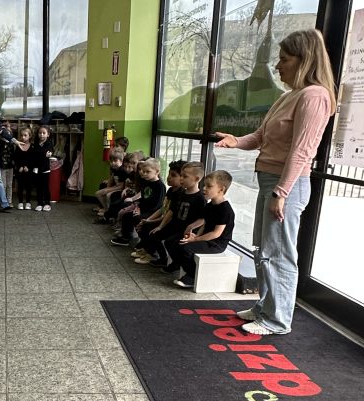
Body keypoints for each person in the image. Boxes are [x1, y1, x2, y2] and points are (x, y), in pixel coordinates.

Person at [216, 29, 336, 334]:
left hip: (287, 185)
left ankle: (277, 320)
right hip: (270, 182)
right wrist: (236, 141)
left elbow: (302, 151)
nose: (277, 65)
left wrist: (281, 192)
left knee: (279, 253)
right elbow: (260, 136)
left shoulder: (315, 96)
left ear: (304, 60)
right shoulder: (288, 96)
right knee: (264, 249)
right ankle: (264, 307)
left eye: (284, 59)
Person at [166, 170, 235, 289]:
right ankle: (180, 266)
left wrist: (196, 239)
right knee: (172, 242)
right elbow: (205, 224)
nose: (204, 188)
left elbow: (216, 233)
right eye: (204, 185)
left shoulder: (225, 210)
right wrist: (195, 236)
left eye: (209, 186)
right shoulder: (209, 205)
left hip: (216, 244)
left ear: (221, 189)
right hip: (205, 239)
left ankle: (192, 276)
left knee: (185, 248)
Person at [140, 161, 206, 268]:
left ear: (197, 179)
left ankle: (176, 264)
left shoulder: (200, 198)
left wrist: (191, 228)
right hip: (174, 225)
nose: (181, 179)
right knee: (154, 234)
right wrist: (160, 226)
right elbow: (171, 211)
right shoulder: (180, 194)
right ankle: (162, 259)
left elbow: (202, 219)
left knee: (170, 242)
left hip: (185, 230)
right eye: (181, 176)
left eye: (185, 176)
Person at [133, 160, 185, 262]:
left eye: (173, 175)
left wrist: (153, 223)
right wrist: (148, 219)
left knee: (151, 231)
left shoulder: (179, 194)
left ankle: (156, 255)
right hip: (163, 219)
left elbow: (169, 214)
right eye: (169, 174)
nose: (169, 177)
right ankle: (147, 249)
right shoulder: (171, 190)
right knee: (143, 223)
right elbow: (163, 208)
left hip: (171, 223)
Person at [111, 158, 166, 245]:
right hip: (143, 209)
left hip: (153, 212)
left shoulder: (160, 186)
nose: (144, 174)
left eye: (148, 172)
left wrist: (142, 212)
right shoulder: (146, 182)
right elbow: (143, 198)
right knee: (127, 216)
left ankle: (144, 243)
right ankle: (126, 238)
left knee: (137, 219)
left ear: (157, 172)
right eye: (143, 171)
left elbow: (158, 204)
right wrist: (138, 208)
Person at [94, 146, 126, 216]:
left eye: (115, 161)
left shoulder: (122, 170)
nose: (113, 163)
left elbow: (121, 186)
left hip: (120, 189)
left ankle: (108, 211)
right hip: (116, 187)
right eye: (111, 161)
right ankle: (106, 209)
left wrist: (107, 190)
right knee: (98, 193)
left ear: (121, 160)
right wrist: (107, 188)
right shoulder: (115, 168)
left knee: (106, 194)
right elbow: (111, 179)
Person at [29, 123, 55, 211]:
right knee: (38, 187)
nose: (42, 135)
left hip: (45, 169)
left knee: (45, 187)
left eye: (44, 133)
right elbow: (34, 155)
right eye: (40, 133)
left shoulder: (49, 144)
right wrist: (43, 154)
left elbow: (49, 152)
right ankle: (40, 203)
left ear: (48, 134)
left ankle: (47, 203)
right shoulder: (35, 144)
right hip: (37, 169)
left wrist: (43, 154)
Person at [13, 125, 34, 208]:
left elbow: (33, 159)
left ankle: (28, 202)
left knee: (29, 186)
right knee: (20, 186)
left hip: (29, 170)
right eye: (21, 135)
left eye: (25, 135)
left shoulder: (32, 146)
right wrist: (20, 166)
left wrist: (28, 167)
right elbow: (16, 157)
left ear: (30, 136)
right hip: (20, 170)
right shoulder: (18, 146)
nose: (23, 137)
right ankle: (20, 202)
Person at [0, 119, 16, 206]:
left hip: (10, 166)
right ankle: (3, 201)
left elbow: (13, 154)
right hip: (2, 166)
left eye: (9, 131)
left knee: (9, 185)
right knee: (3, 185)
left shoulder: (12, 144)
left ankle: (9, 201)